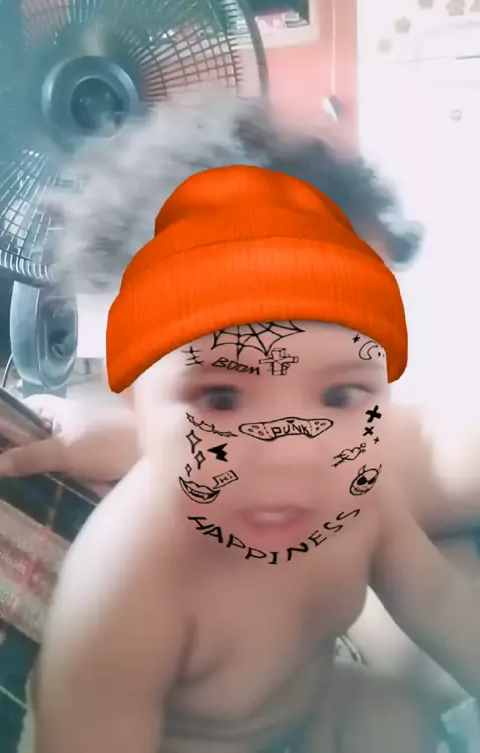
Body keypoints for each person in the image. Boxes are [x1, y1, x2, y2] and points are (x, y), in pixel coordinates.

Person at [2, 89, 480, 714]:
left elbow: (437, 600)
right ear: (136, 396)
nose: (290, 445)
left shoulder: (364, 485)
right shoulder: (126, 577)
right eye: (222, 397)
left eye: (339, 393)